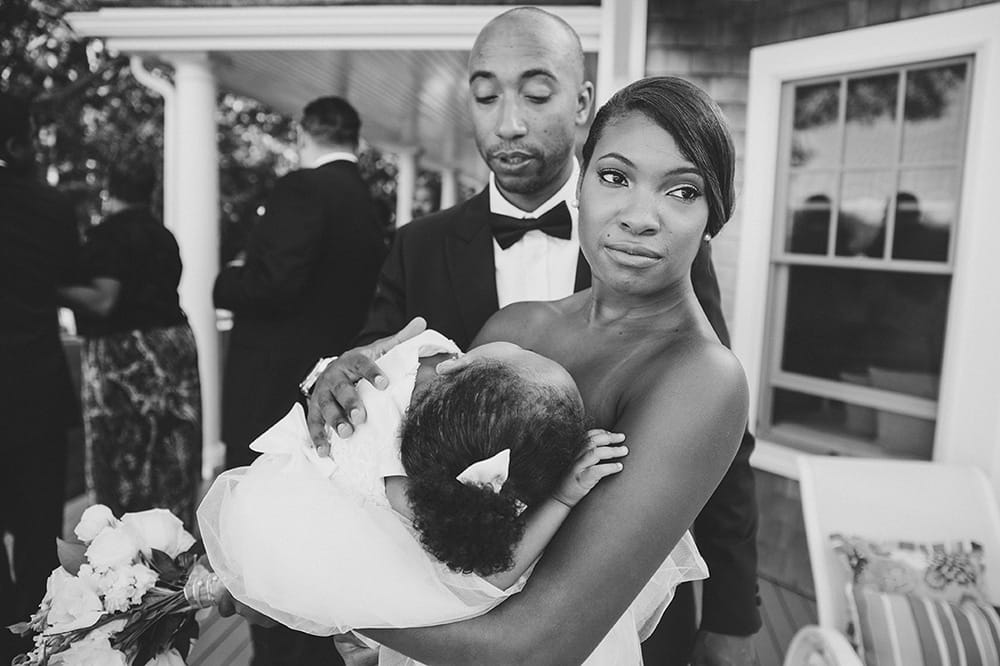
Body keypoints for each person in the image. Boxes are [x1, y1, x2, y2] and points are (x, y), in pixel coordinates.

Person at [307, 8, 760, 664]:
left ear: (713, 214)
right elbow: (409, 443)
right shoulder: (512, 323)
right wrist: (346, 384)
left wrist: (733, 611)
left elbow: (720, 446)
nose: (640, 217)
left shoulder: (700, 373)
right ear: (591, 179)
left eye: (682, 190)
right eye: (615, 177)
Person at [205, 331, 704, 665]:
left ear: (453, 372)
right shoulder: (458, 484)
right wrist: (566, 499)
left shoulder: (400, 455)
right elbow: (493, 575)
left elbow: (485, 573)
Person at [213, 95, 387, 665]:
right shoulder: (367, 200)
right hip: (341, 395)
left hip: (278, 392)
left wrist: (229, 280)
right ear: (354, 137)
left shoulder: (301, 190)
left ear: (302, 133)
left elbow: (273, 285)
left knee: (267, 534)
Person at [59, 162, 202, 530]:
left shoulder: (108, 236)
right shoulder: (164, 236)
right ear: (150, 192)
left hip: (123, 357)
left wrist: (46, 288)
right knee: (172, 460)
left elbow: (104, 300)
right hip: (174, 346)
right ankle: (174, 558)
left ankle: (123, 566)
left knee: (121, 466)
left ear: (110, 191)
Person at [0, 92, 82, 664]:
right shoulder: (49, 206)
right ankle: (33, 642)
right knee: (37, 533)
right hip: (34, 383)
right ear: (17, 142)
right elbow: (71, 281)